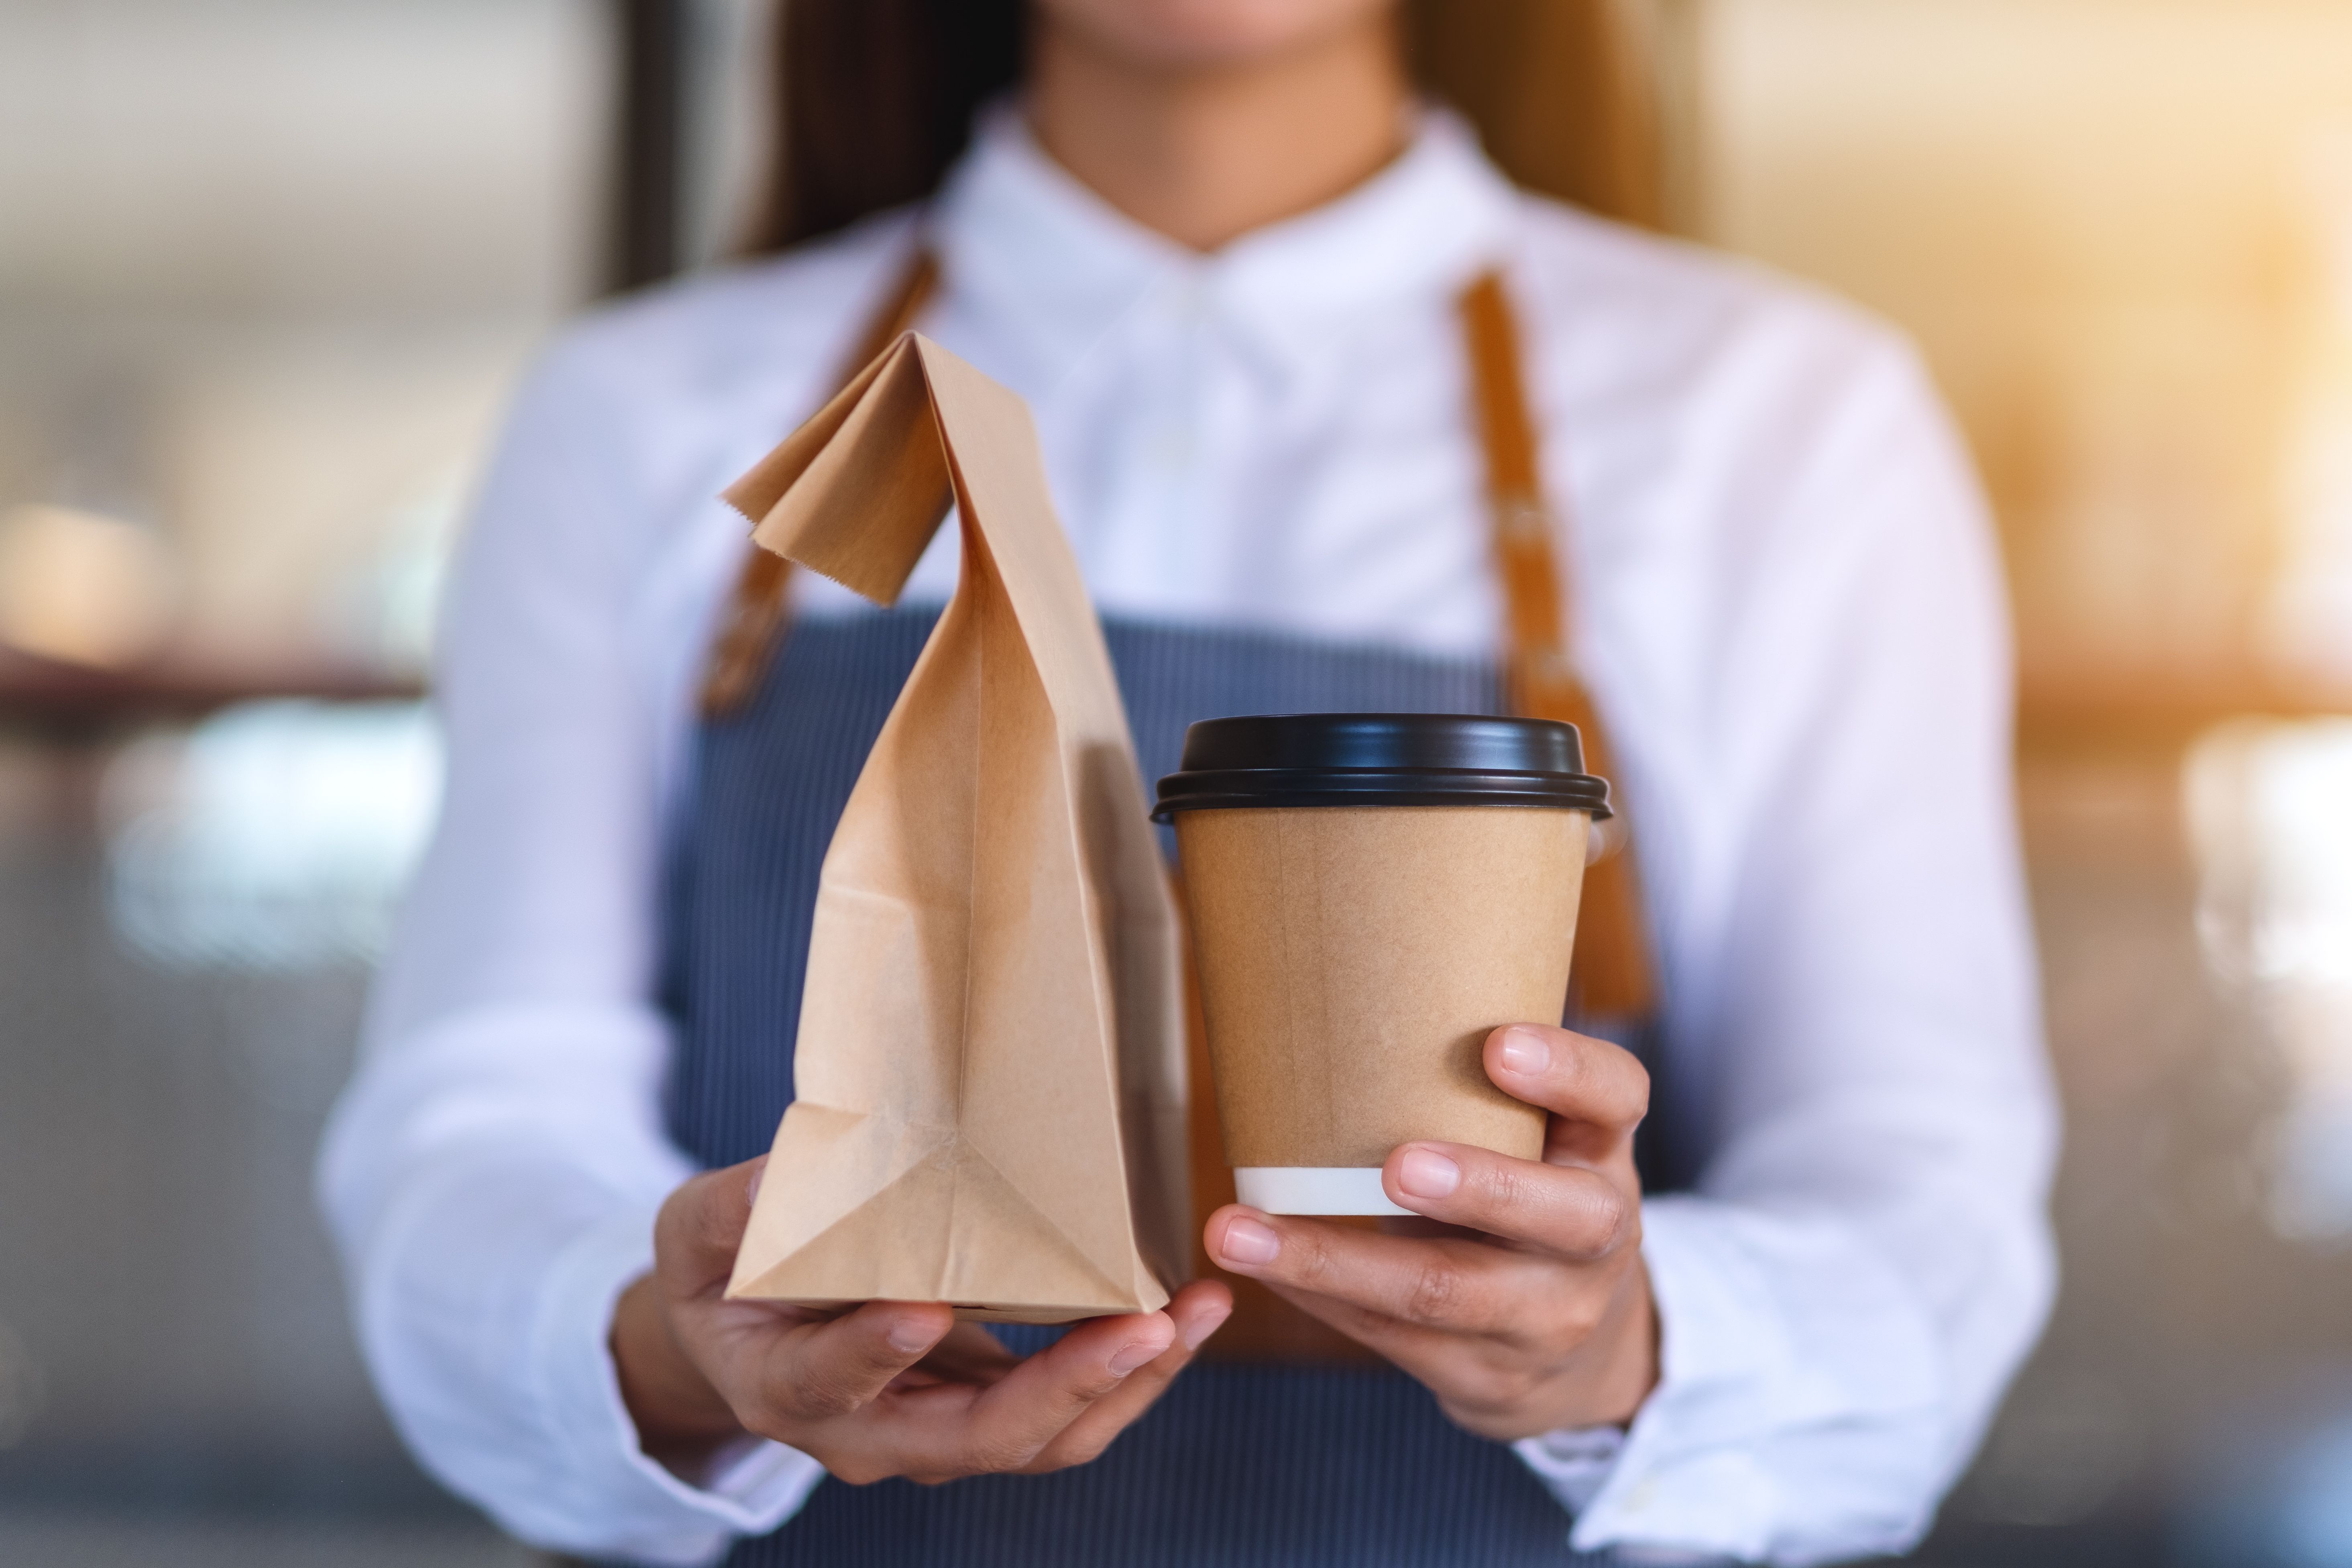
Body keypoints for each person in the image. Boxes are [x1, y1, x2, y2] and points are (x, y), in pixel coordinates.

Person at [318, 0, 2057, 1563]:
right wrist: (664, 1335)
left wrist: (1630, 1342)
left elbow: (1920, 1202)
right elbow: (481, 1120)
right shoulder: (643, 415)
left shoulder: (1775, 426)